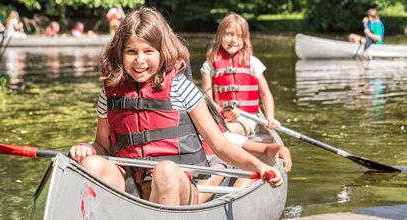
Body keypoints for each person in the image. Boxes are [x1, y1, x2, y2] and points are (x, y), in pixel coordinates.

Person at [69, 7, 282, 207]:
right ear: (120, 53)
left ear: (162, 52)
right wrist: (87, 150)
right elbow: (102, 146)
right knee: (92, 164)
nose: (140, 60)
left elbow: (221, 146)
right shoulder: (109, 94)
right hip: (132, 186)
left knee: (165, 171)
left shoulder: (181, 89)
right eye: (131, 51)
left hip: (180, 187)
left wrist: (259, 166)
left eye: (149, 51)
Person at [196, 91, 292, 203]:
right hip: (194, 186)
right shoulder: (181, 142)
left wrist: (281, 149)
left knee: (225, 165)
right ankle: (196, 202)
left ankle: (234, 201)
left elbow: (265, 150)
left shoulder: (226, 137)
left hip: (221, 192)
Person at [201, 12, 280, 137]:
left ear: (245, 39)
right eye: (229, 34)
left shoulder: (253, 63)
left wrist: (270, 118)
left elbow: (266, 94)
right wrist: (222, 112)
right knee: (210, 130)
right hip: (218, 115)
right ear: (220, 35)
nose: (234, 40)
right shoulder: (209, 65)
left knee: (225, 131)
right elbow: (207, 99)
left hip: (246, 119)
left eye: (239, 36)